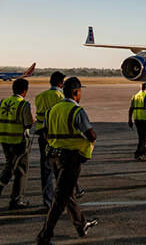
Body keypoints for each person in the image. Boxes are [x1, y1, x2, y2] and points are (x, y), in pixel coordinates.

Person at [36, 77, 98, 244]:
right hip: (71, 159)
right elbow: (91, 135)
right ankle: (44, 235)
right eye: (80, 92)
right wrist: (86, 148)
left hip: (54, 156)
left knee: (67, 193)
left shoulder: (52, 110)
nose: (81, 94)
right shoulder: (77, 111)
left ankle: (81, 225)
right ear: (75, 92)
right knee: (60, 199)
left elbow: (45, 133)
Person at [34, 71, 65, 211]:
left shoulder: (40, 96)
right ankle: (64, 198)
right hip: (56, 137)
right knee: (62, 169)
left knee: (45, 170)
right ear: (60, 83)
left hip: (42, 136)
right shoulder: (61, 97)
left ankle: (47, 202)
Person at [0, 78, 33, 209]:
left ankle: (16, 199)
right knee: (19, 170)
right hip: (19, 142)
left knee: (12, 167)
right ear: (25, 91)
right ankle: (16, 199)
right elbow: (28, 123)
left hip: (5, 140)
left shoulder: (3, 102)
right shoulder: (23, 104)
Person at [128, 83, 146, 160]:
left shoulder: (134, 96)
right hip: (145, 119)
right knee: (144, 137)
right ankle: (138, 153)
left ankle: (143, 150)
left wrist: (130, 119)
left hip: (137, 119)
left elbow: (131, 109)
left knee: (141, 136)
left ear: (139, 88)